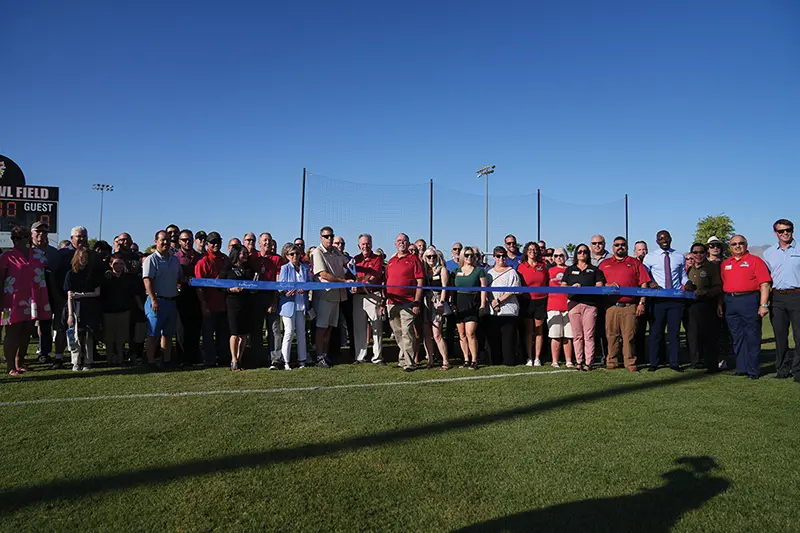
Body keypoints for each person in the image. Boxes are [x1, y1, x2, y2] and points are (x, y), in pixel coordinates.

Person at [0, 226, 53, 375]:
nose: (23, 240)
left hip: (33, 300)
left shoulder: (38, 255)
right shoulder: (6, 257)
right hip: (11, 300)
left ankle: (20, 361)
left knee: (26, 332)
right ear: (14, 240)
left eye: (25, 237)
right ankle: (10, 366)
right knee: (12, 333)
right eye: (19, 238)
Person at [719, 235, 771, 380]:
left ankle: (753, 370)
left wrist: (763, 305)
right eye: (734, 244)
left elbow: (765, 284)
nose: (737, 246)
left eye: (740, 243)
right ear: (730, 247)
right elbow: (725, 283)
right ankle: (741, 367)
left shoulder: (755, 261)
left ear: (746, 245)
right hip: (731, 301)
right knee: (737, 337)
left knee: (752, 336)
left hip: (749, 300)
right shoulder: (725, 263)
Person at [598, 237, 651, 372]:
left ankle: (630, 363)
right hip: (611, 306)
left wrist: (642, 302)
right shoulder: (604, 264)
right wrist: (606, 285)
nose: (620, 247)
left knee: (629, 336)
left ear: (626, 247)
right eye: (617, 245)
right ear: (612, 247)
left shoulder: (635, 263)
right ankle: (612, 362)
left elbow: (643, 283)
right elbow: (598, 283)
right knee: (611, 335)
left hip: (630, 306)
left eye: (623, 245)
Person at [643, 230, 689, 372]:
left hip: (675, 300)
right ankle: (654, 363)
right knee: (656, 332)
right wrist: (650, 282)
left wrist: (688, 283)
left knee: (674, 333)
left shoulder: (679, 257)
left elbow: (683, 276)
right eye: (661, 238)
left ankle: (674, 362)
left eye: (666, 238)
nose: (664, 240)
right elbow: (645, 275)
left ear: (670, 239)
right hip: (658, 300)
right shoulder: (649, 257)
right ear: (657, 241)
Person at [763, 219, 800, 381]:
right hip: (777, 297)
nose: (785, 233)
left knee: (799, 336)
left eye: (788, 230)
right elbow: (766, 279)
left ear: (792, 230)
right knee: (780, 335)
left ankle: (798, 370)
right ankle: (782, 369)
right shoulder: (768, 253)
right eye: (781, 231)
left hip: (797, 295)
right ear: (775, 233)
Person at [562, 243, 605, 372]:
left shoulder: (595, 269)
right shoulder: (569, 270)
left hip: (590, 305)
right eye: (579, 252)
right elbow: (562, 286)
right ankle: (579, 361)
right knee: (577, 335)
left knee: (589, 335)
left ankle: (588, 362)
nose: (582, 254)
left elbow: (599, 286)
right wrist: (572, 287)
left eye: (585, 252)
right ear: (576, 254)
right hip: (574, 304)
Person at [311, 226, 350, 368]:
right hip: (324, 295)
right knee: (321, 327)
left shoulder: (336, 252)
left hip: (336, 296)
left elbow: (347, 264)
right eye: (326, 236)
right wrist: (343, 281)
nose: (329, 239)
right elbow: (322, 274)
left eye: (331, 236)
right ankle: (319, 356)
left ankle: (325, 355)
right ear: (321, 237)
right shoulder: (317, 252)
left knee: (329, 328)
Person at [142, 230, 181, 370]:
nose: (165, 242)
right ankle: (151, 362)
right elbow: (147, 280)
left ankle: (167, 360)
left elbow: (179, 278)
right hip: (157, 301)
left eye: (167, 240)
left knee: (168, 334)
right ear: (156, 242)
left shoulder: (174, 259)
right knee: (153, 334)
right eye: (162, 240)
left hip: (171, 301)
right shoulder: (151, 260)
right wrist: (153, 299)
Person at [385, 233, 424, 371]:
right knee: (397, 332)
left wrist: (417, 301)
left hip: (408, 302)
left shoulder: (414, 260)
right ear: (395, 244)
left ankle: (410, 362)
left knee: (407, 331)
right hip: (392, 302)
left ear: (408, 243)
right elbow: (387, 281)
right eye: (399, 241)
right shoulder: (390, 261)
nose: (402, 243)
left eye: (404, 241)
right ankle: (402, 359)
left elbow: (420, 282)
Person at [685, 243, 722, 372]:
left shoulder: (712, 268)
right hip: (691, 306)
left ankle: (711, 363)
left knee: (709, 335)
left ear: (706, 253)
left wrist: (705, 292)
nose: (698, 255)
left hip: (707, 304)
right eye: (695, 253)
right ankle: (695, 361)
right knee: (693, 335)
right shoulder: (689, 269)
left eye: (701, 252)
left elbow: (718, 287)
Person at [195, 232, 230, 367]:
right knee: (208, 336)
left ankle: (222, 358)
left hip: (224, 304)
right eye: (212, 242)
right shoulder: (203, 262)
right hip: (209, 304)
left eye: (218, 242)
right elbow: (199, 287)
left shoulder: (225, 259)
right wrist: (203, 305)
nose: (215, 245)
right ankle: (209, 360)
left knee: (223, 334)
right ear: (207, 244)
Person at [64, 247, 102, 371]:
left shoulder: (93, 274)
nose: (83, 260)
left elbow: (97, 292)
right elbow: (69, 296)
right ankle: (76, 361)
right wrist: (70, 314)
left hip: (90, 307)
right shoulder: (70, 274)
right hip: (75, 307)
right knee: (75, 336)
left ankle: (87, 360)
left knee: (88, 336)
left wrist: (82, 294)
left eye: (85, 258)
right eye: (81, 257)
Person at [352, 233, 385, 365]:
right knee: (359, 328)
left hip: (373, 295)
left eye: (367, 243)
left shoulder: (377, 258)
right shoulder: (355, 259)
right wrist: (354, 284)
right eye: (363, 244)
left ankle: (377, 357)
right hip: (358, 297)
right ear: (359, 245)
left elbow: (374, 277)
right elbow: (351, 276)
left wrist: (359, 283)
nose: (365, 246)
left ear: (371, 244)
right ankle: (360, 356)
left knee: (376, 325)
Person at [101, 254, 139, 365]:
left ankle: (120, 359)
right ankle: (109, 360)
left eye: (121, 263)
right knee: (109, 338)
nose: (119, 266)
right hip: (108, 312)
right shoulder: (106, 278)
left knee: (121, 338)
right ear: (110, 264)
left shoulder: (128, 278)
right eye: (116, 263)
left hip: (124, 311)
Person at [453, 246, 487, 369]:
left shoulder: (479, 271)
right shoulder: (456, 271)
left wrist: (483, 304)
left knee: (470, 333)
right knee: (461, 334)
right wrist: (452, 305)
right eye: (466, 255)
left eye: (471, 255)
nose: (469, 257)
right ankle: (466, 359)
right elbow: (452, 290)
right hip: (459, 304)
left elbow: (484, 289)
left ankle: (474, 360)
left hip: (472, 304)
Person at [487, 246, 522, 366]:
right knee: (494, 337)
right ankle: (495, 361)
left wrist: (498, 301)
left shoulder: (512, 272)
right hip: (493, 311)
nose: (501, 258)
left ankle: (509, 361)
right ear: (494, 257)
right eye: (498, 256)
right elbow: (485, 290)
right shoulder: (489, 273)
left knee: (508, 338)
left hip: (509, 310)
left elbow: (513, 290)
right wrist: (492, 302)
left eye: (503, 256)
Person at [31, 221, 60, 365]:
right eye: (38, 231)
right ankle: (20, 357)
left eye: (44, 232)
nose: (41, 234)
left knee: (45, 324)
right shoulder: (26, 252)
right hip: (29, 294)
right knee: (26, 326)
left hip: (49, 292)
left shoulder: (54, 253)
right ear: (32, 234)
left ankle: (44, 352)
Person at [278, 244, 311, 369]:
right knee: (289, 332)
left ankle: (302, 359)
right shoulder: (285, 268)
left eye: (297, 253)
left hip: (301, 304)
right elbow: (281, 286)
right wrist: (286, 292)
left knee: (301, 333)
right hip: (288, 304)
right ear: (287, 256)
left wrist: (305, 289)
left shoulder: (305, 268)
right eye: (292, 254)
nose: (295, 256)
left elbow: (309, 284)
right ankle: (285, 360)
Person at [517, 242, 549, 366]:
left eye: (535, 249)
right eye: (530, 249)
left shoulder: (543, 266)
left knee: (539, 330)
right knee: (529, 331)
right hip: (527, 301)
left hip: (541, 300)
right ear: (526, 251)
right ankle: (529, 358)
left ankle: (537, 358)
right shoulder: (521, 266)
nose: (533, 252)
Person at [224, 244, 254, 371]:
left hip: (246, 302)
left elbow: (253, 284)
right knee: (234, 333)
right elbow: (220, 284)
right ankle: (233, 360)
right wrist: (231, 289)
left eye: (246, 253)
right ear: (237, 254)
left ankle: (239, 358)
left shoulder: (248, 269)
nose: (245, 255)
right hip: (233, 302)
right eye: (243, 253)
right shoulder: (228, 269)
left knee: (244, 334)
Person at [175, 230, 202, 366]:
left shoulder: (199, 257)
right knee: (182, 328)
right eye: (184, 239)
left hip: (197, 294)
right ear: (179, 241)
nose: (187, 242)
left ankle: (195, 355)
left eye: (190, 239)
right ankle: (183, 357)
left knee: (196, 326)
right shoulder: (175, 258)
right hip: (182, 294)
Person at [421, 246, 450, 369]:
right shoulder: (423, 270)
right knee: (426, 334)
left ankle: (445, 360)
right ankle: (430, 360)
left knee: (437, 334)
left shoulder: (442, 270)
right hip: (425, 301)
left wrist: (442, 302)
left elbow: (445, 287)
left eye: (433, 256)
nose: (431, 258)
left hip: (437, 300)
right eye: (428, 256)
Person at [256, 232, 281, 369]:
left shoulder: (277, 259)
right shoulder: (253, 258)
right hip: (256, 299)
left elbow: (278, 282)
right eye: (264, 240)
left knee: (274, 330)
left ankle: (275, 359)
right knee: (257, 331)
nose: (267, 243)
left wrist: (274, 300)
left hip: (271, 297)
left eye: (269, 240)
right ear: (259, 243)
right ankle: (258, 358)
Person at [547, 248, 574, 367]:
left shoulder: (571, 270)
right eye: (556, 255)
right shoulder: (549, 270)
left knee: (568, 335)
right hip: (553, 305)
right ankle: (555, 361)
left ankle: (569, 360)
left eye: (561, 255)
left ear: (566, 256)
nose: (559, 257)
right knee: (555, 335)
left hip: (568, 305)